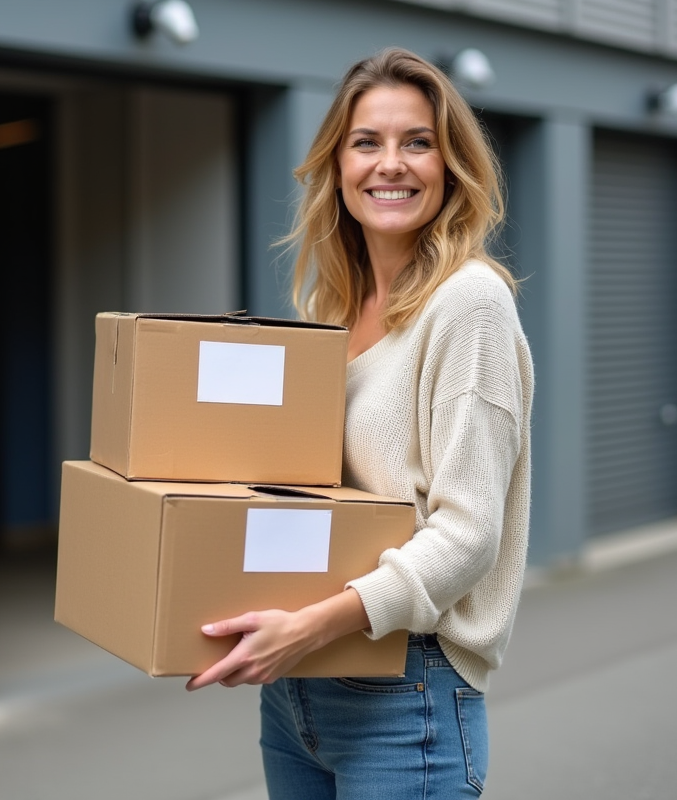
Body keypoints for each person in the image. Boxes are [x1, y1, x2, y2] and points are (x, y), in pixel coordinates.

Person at [185, 48, 534, 799]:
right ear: (338, 166)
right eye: (366, 142)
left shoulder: (469, 304)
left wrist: (311, 625)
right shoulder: (331, 311)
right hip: (298, 690)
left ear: (451, 166)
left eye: (418, 142)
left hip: (408, 691)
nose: (391, 164)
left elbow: (468, 535)